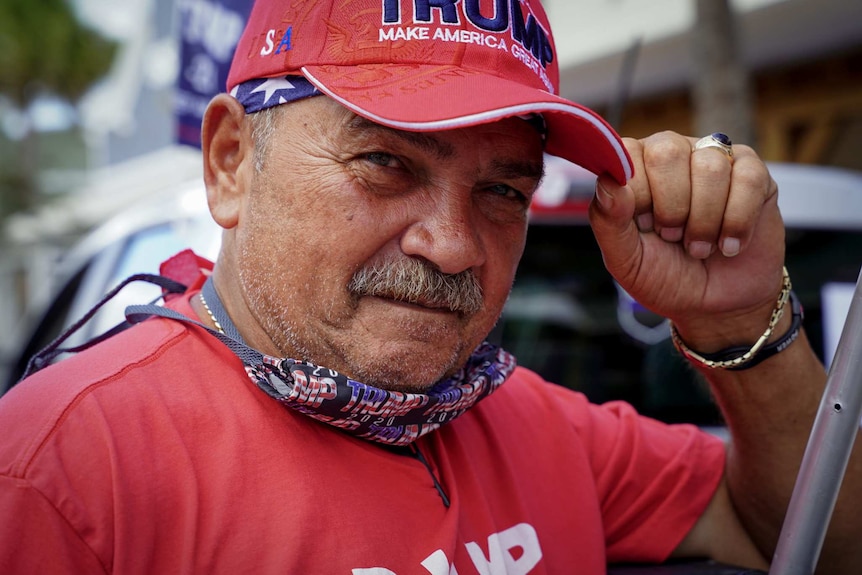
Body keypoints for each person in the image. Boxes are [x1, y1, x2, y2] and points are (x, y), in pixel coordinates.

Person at [1, 0, 859, 573]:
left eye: (503, 191)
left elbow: (809, 536)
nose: (452, 246)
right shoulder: (59, 471)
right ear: (231, 162)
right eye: (384, 161)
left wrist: (742, 322)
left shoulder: (533, 421)